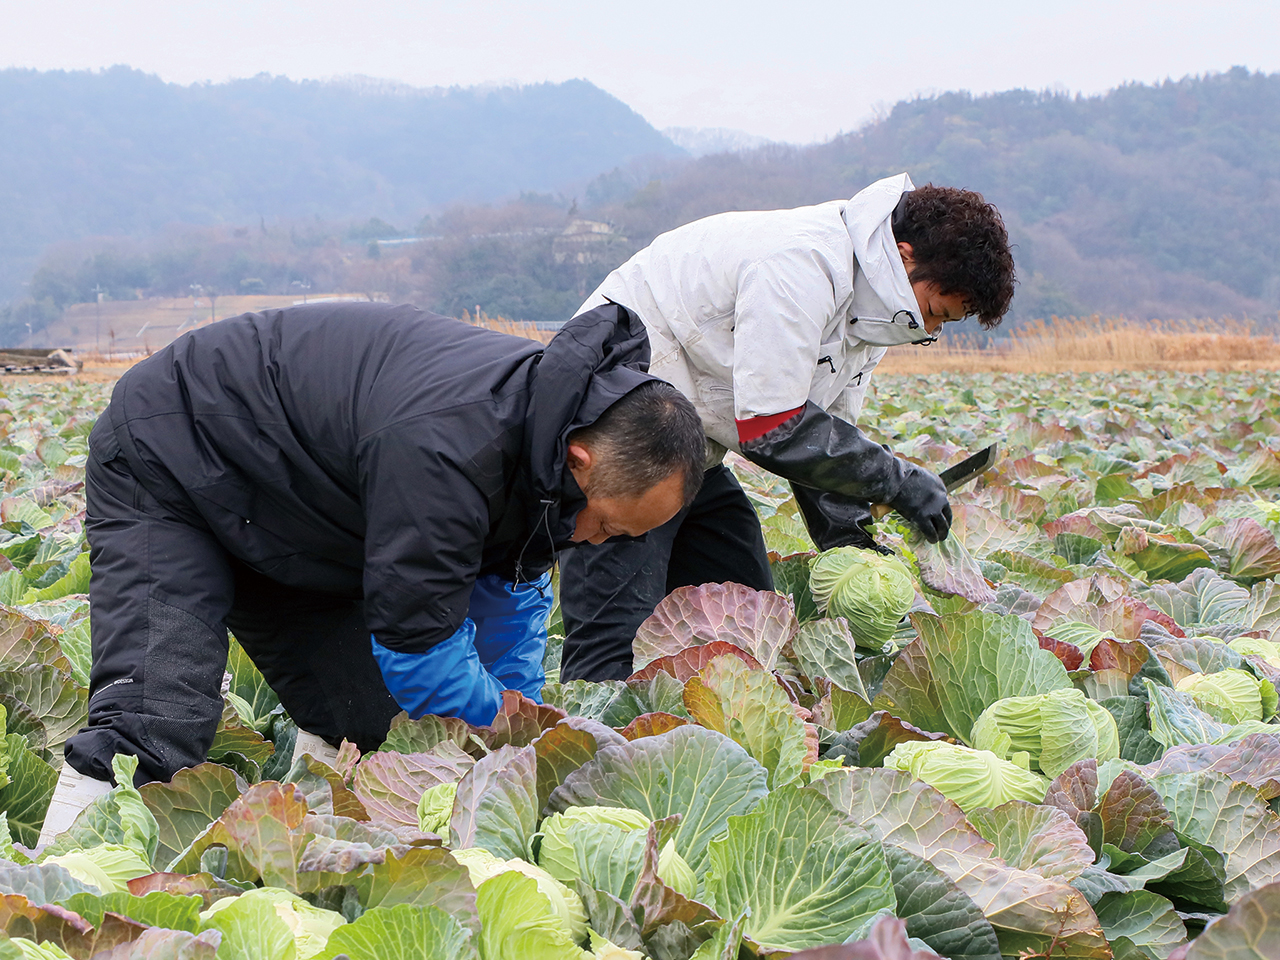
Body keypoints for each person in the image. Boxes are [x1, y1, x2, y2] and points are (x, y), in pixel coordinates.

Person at [42, 300, 705, 843]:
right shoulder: (450, 451)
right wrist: (494, 718)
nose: (593, 541)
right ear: (582, 461)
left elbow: (510, 593)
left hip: (300, 509)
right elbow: (419, 650)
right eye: (608, 526)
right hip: (177, 455)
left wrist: (522, 726)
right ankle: (63, 891)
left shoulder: (547, 448)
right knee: (155, 717)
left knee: (369, 721)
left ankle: (308, 857)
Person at [559, 173, 1016, 681]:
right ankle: (595, 732)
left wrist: (851, 537)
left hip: (691, 444)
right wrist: (899, 481)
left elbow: (823, 433)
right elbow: (773, 425)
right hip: (621, 438)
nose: (929, 329)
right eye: (935, 311)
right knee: (615, 638)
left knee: (747, 606)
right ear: (904, 258)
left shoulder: (875, 314)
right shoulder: (803, 264)